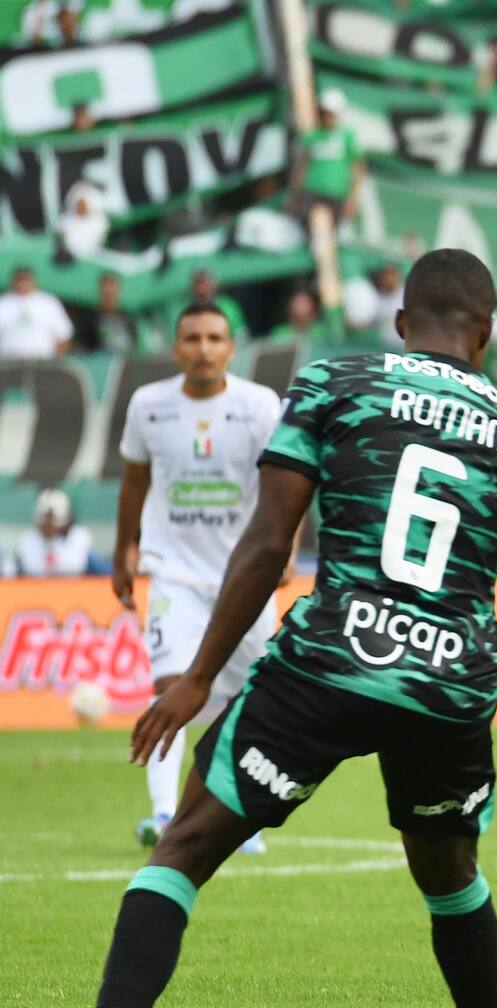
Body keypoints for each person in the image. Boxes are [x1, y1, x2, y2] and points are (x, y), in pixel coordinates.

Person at [37, 249, 497, 1008]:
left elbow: (267, 543)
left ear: (402, 324)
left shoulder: (338, 384)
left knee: (183, 848)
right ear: (487, 332)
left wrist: (196, 679)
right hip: (448, 688)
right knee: (447, 873)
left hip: (329, 662)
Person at [112, 303, 286, 854]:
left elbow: (289, 485)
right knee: (170, 686)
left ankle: (241, 817)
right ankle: (166, 811)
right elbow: (134, 480)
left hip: (246, 578)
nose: (204, 348)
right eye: (193, 338)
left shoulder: (259, 406)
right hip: (174, 576)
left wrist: (287, 551)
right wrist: (125, 548)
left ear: (231, 348)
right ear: (176, 347)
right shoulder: (149, 405)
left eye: (215, 338)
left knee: (251, 700)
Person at [288, 88, 365, 225]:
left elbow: (358, 168)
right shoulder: (311, 137)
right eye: (324, 113)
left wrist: (353, 198)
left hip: (337, 193)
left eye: (331, 114)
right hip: (311, 191)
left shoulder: (348, 136)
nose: (327, 117)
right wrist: (294, 196)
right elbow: (301, 166)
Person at [12, 488, 99, 576]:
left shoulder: (79, 537)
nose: (49, 524)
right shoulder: (28, 540)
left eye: (53, 518)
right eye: (46, 517)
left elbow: (101, 571)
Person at [0, 266, 72, 358]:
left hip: (42, 361)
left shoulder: (48, 302)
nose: (23, 283)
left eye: (26, 279)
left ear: (33, 280)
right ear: (13, 280)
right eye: (20, 279)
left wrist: (55, 359)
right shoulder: (3, 302)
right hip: (9, 362)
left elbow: (63, 335)